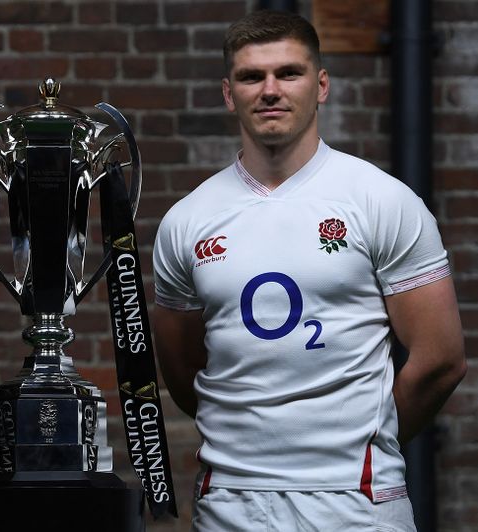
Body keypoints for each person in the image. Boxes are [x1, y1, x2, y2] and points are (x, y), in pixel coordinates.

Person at [152, 10, 466, 530]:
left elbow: (441, 360)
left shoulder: (381, 201)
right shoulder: (188, 220)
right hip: (232, 499)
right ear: (229, 93)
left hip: (357, 500)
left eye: (289, 73)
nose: (270, 90)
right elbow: (184, 374)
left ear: (320, 86)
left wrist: (365, 437)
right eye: (252, 77)